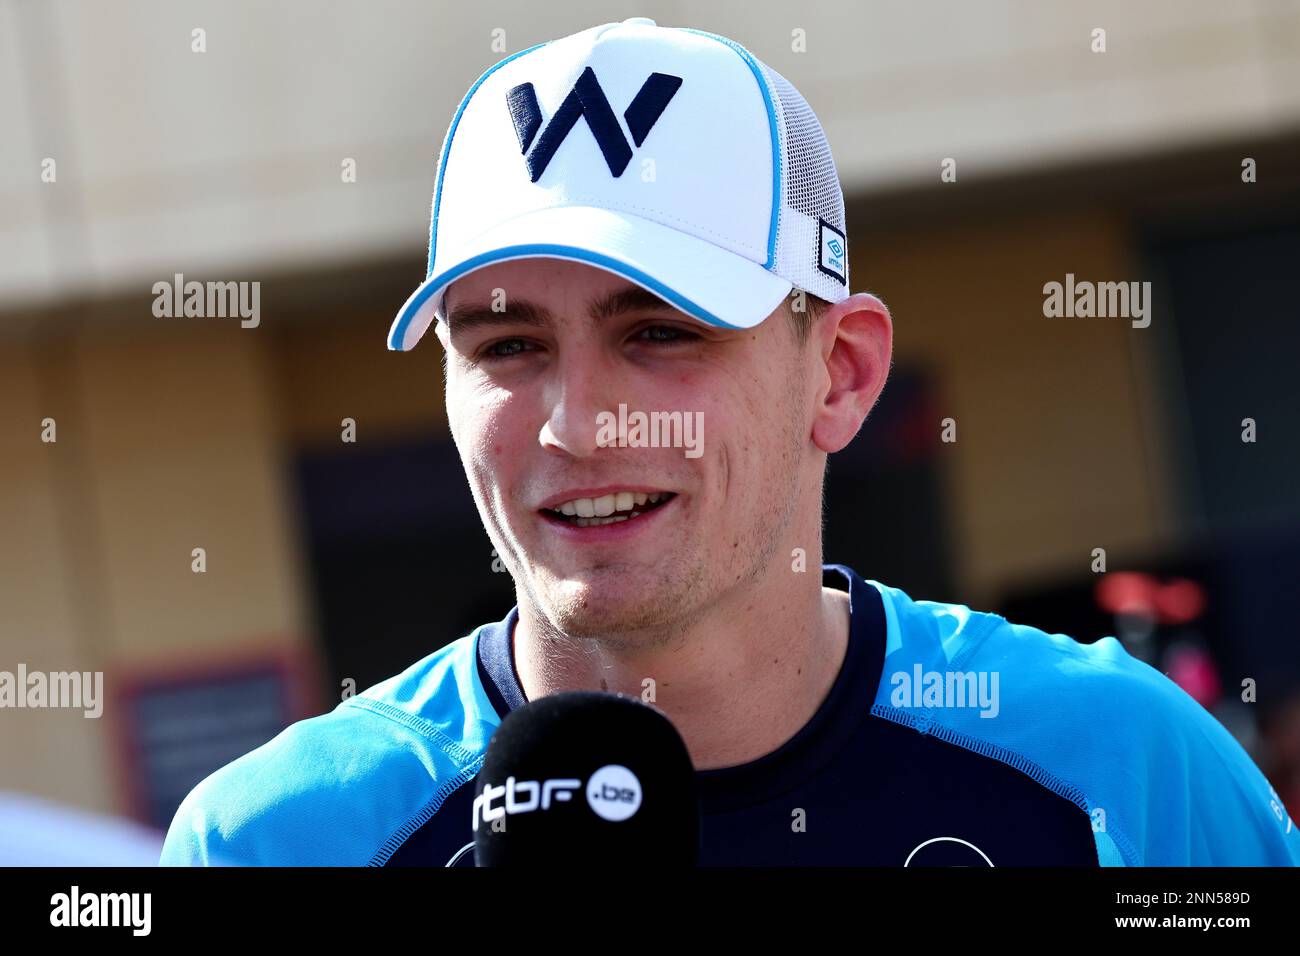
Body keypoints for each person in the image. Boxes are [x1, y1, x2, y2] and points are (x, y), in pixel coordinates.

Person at [161, 18, 1299, 866]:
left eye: (660, 330)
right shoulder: (274, 840)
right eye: (506, 344)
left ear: (840, 372)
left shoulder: (1124, 774)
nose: (577, 420)